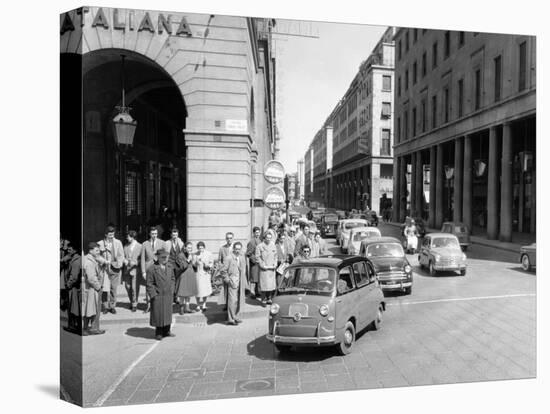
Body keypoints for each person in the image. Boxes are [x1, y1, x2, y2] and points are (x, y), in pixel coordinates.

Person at [146, 247, 175, 340]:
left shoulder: (170, 266)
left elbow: (173, 279)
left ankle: (167, 331)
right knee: (158, 315)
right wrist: (153, 295)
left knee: (167, 313)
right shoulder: (152, 269)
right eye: (162, 257)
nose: (165, 259)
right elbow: (149, 283)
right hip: (158, 295)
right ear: (157, 257)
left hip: (168, 294)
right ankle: (159, 332)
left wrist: (172, 290)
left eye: (166, 257)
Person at [97, 226, 124, 315]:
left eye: (113, 235)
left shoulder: (118, 243)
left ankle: (112, 306)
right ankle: (105, 306)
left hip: (114, 269)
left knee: (113, 288)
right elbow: (97, 256)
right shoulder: (100, 244)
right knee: (104, 289)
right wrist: (104, 261)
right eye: (110, 235)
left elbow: (121, 255)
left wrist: (118, 265)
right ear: (105, 235)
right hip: (104, 269)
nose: (112, 237)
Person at [219, 242, 247, 325]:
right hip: (232, 282)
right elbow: (223, 271)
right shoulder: (228, 258)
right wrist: (228, 280)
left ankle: (236, 316)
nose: (238, 250)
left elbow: (244, 269)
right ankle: (230, 319)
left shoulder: (242, 257)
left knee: (238, 300)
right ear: (233, 249)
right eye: (236, 249)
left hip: (240, 282)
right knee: (232, 301)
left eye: (239, 249)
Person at [82, 242, 105, 335]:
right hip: (92, 288)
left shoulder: (91, 259)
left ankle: (88, 328)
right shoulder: (89, 261)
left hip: (90, 288)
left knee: (89, 309)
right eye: (96, 250)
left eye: (99, 250)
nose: (98, 252)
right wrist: (98, 287)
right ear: (90, 251)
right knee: (91, 309)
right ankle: (91, 328)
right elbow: (91, 278)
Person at [141, 226, 161, 313]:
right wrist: (143, 271)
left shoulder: (161, 243)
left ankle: (157, 305)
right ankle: (148, 305)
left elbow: (164, 257)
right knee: (148, 287)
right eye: (152, 234)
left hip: (158, 268)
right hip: (148, 268)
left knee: (158, 287)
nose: (154, 235)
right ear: (149, 234)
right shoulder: (145, 244)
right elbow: (142, 258)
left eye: (155, 234)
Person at [63, 242, 82, 334]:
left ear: (75, 250)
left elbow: (74, 277)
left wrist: (68, 285)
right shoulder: (73, 258)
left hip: (73, 287)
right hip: (74, 287)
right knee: (74, 307)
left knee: (73, 307)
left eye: (70, 250)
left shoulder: (76, 261)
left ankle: (73, 327)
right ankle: (74, 326)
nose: (68, 251)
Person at [175, 242, 198, 314]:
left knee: (188, 293)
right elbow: (181, 267)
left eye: (191, 248)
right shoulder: (180, 255)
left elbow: (194, 267)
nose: (190, 249)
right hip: (183, 276)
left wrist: (194, 263)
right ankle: (182, 308)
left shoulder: (191, 255)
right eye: (188, 248)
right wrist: (188, 260)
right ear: (184, 247)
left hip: (190, 275)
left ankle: (187, 308)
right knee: (182, 293)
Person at [256, 231, 277, 306]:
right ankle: (263, 299)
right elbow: (257, 257)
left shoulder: (273, 245)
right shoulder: (260, 246)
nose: (268, 239)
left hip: (271, 268)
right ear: (264, 238)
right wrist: (262, 265)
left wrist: (275, 263)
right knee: (264, 285)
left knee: (271, 285)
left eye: (270, 238)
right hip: (264, 269)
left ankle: (269, 298)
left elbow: (275, 256)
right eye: (267, 238)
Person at [123, 230, 142, 312]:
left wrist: (136, 262)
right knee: (127, 286)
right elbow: (122, 256)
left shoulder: (140, 246)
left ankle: (134, 304)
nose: (127, 238)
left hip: (135, 269)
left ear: (132, 237)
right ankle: (132, 301)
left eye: (128, 236)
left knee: (134, 288)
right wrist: (124, 261)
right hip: (127, 269)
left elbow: (142, 258)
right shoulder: (125, 246)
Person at [165, 227, 185, 305]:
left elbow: (183, 253)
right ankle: (171, 296)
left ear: (178, 235)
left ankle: (176, 297)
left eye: (176, 235)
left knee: (177, 281)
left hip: (178, 265)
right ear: (171, 235)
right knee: (170, 281)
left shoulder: (181, 243)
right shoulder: (167, 243)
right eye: (173, 235)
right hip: (169, 264)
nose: (174, 236)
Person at [217, 232, 234, 310]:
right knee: (226, 289)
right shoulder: (222, 248)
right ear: (226, 239)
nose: (229, 239)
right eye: (227, 238)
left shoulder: (235, 248)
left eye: (230, 238)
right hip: (225, 272)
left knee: (234, 289)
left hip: (234, 272)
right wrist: (221, 269)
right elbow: (219, 260)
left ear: (233, 238)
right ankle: (226, 305)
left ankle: (233, 305)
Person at [195, 241, 213, 311]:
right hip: (198, 274)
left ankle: (204, 304)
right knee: (198, 290)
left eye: (202, 248)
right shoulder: (195, 254)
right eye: (199, 248)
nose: (201, 250)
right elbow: (193, 265)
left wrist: (208, 265)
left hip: (205, 274)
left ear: (204, 248)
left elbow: (211, 263)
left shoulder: (209, 254)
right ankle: (198, 305)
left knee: (205, 290)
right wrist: (195, 262)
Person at [246, 227, 262, 299]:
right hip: (254, 263)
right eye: (256, 233)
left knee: (258, 277)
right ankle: (252, 292)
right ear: (253, 233)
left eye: (258, 232)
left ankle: (257, 291)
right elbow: (248, 253)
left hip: (259, 262)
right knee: (253, 278)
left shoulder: (260, 240)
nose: (257, 234)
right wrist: (254, 259)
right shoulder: (251, 242)